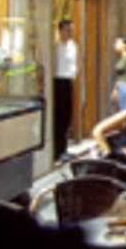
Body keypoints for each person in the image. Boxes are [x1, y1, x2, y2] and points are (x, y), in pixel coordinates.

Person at [53, 18, 79, 163]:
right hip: (57, 81)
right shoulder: (55, 46)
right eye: (67, 30)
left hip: (68, 81)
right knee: (58, 117)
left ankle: (63, 149)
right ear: (60, 31)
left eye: (71, 30)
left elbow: (75, 63)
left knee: (66, 117)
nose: (70, 33)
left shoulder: (73, 45)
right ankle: (57, 151)